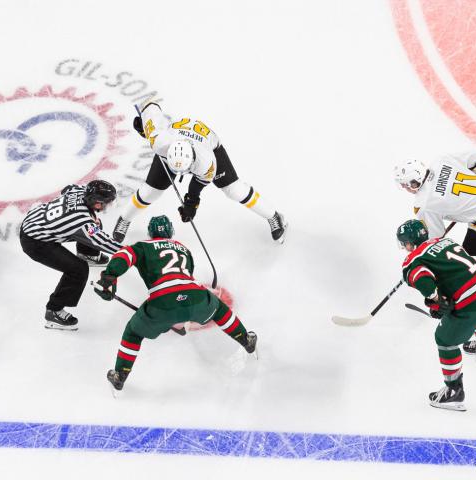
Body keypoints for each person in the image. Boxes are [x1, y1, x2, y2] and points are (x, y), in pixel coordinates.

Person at [94, 215, 258, 392]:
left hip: (162, 303)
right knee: (219, 310)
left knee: (133, 332)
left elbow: (124, 255)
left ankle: (120, 374)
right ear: (170, 231)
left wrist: (110, 276)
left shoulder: (143, 246)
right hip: (195, 296)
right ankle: (246, 340)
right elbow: (183, 281)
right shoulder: (183, 249)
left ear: (150, 233)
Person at [111, 102, 286, 244]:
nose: (181, 174)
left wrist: (192, 202)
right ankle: (124, 219)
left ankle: (274, 216)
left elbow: (198, 184)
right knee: (150, 192)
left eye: (185, 170)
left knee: (235, 190)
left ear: (192, 160)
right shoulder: (159, 142)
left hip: (210, 145)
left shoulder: (207, 162)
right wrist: (144, 129)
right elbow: (151, 108)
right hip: (175, 146)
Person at [394, 149, 476, 329]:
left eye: (405, 185)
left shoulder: (424, 205)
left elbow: (434, 243)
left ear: (413, 183)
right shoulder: (441, 159)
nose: (404, 188)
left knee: (467, 269)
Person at [397, 219, 476, 412]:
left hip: (472, 298)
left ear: (410, 243)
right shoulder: (443, 240)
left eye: (404, 244)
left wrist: (436, 299)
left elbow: (424, 281)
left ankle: (454, 391)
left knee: (444, 339)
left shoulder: (412, 260)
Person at [19, 180, 123, 330]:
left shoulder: (80, 192)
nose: (107, 206)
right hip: (34, 242)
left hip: (35, 220)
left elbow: (67, 189)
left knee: (95, 223)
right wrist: (131, 252)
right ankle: (53, 311)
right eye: (105, 203)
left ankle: (87, 254)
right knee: (78, 270)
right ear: (97, 202)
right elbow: (104, 242)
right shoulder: (81, 221)